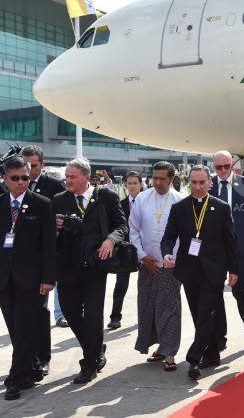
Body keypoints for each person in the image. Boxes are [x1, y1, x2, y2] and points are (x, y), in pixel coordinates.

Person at [0, 156, 56, 400]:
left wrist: (48, 278)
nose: (22, 182)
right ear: (5, 179)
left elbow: (49, 246)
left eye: (25, 177)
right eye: (16, 178)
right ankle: (31, 366)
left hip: (31, 279)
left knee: (23, 326)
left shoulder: (42, 204)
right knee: (15, 327)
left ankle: (17, 378)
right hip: (3, 278)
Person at [53, 157, 128, 384]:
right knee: (71, 313)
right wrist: (54, 229)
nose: (68, 181)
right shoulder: (58, 200)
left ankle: (89, 365)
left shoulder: (106, 197)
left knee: (94, 318)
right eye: (66, 177)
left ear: (87, 177)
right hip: (67, 268)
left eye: (72, 177)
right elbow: (47, 236)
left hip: (95, 268)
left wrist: (110, 241)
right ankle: (96, 348)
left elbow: (122, 225)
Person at [161, 165, 238, 380]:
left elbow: (230, 242)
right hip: (188, 270)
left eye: (202, 182)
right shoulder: (180, 208)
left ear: (209, 183)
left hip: (213, 271)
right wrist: (166, 254)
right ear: (189, 183)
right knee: (198, 314)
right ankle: (212, 353)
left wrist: (234, 269)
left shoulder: (221, 208)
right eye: (193, 183)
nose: (197, 187)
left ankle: (194, 359)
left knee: (205, 313)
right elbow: (168, 237)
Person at [130, 163, 183, 371]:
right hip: (147, 263)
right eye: (155, 178)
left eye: (162, 178)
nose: (158, 182)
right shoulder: (142, 199)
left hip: (171, 265)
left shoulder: (180, 200)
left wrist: (174, 258)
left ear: (171, 179)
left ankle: (169, 353)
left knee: (169, 307)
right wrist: (143, 257)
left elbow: (184, 235)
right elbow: (133, 230)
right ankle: (160, 346)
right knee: (148, 305)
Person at [209, 150, 244, 352]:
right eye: (218, 167)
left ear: (232, 165)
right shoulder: (208, 185)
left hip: (239, 250)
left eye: (226, 166)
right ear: (213, 167)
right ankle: (219, 338)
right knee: (214, 295)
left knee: (241, 292)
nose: (223, 171)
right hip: (214, 251)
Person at [21, 145, 66, 376]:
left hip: (44, 258)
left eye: (33, 166)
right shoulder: (13, 187)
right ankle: (24, 359)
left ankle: (43, 357)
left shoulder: (54, 187)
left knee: (40, 311)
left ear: (43, 165)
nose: (28, 172)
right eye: (25, 165)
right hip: (17, 260)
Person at [108, 171, 142, 330]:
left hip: (145, 248)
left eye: (135, 183)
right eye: (130, 183)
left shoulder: (148, 202)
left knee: (145, 285)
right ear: (125, 185)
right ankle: (115, 316)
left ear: (141, 184)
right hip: (125, 250)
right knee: (121, 284)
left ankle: (145, 316)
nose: (133, 186)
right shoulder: (120, 204)